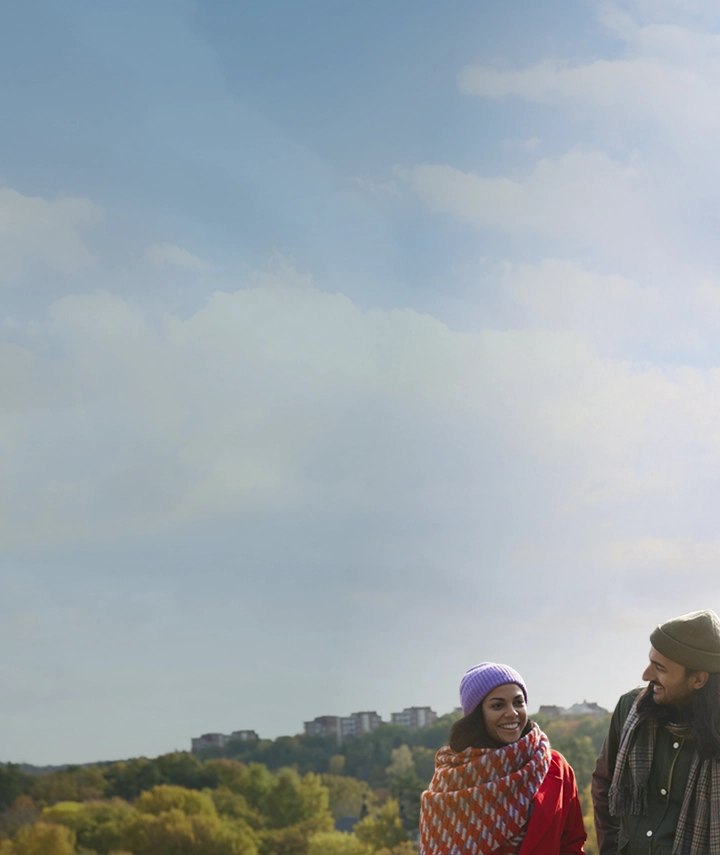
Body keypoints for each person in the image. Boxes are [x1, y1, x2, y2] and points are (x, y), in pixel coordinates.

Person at [420, 662, 586, 855]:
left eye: (518, 702)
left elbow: (571, 842)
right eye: (497, 705)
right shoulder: (452, 779)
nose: (512, 713)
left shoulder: (554, 766)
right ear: (478, 715)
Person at [592, 608, 720, 854]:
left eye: (660, 668)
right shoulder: (630, 708)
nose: (646, 675)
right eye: (650, 662)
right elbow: (604, 785)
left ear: (698, 680)